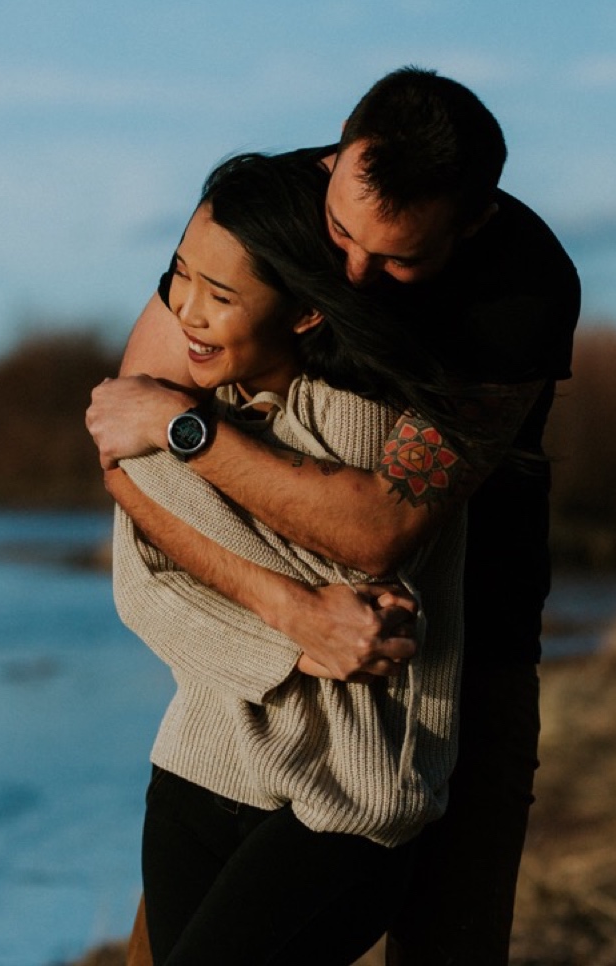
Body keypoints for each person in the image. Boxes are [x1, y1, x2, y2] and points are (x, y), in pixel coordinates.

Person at [90, 68, 580, 965]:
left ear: (473, 222)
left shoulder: (521, 288)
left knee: (449, 946)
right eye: (343, 232)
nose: (355, 272)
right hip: (260, 664)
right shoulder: (263, 209)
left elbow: (378, 530)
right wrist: (285, 613)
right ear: (339, 153)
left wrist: (179, 424)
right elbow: (123, 440)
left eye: (398, 260)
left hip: (456, 652)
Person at [112, 150, 474, 964]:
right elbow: (141, 592)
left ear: (306, 312)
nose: (187, 314)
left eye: (222, 295)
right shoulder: (199, 407)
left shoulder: (364, 418)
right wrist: (293, 625)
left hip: (347, 800)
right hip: (201, 765)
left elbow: (359, 611)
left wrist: (163, 453)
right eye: (179, 277)